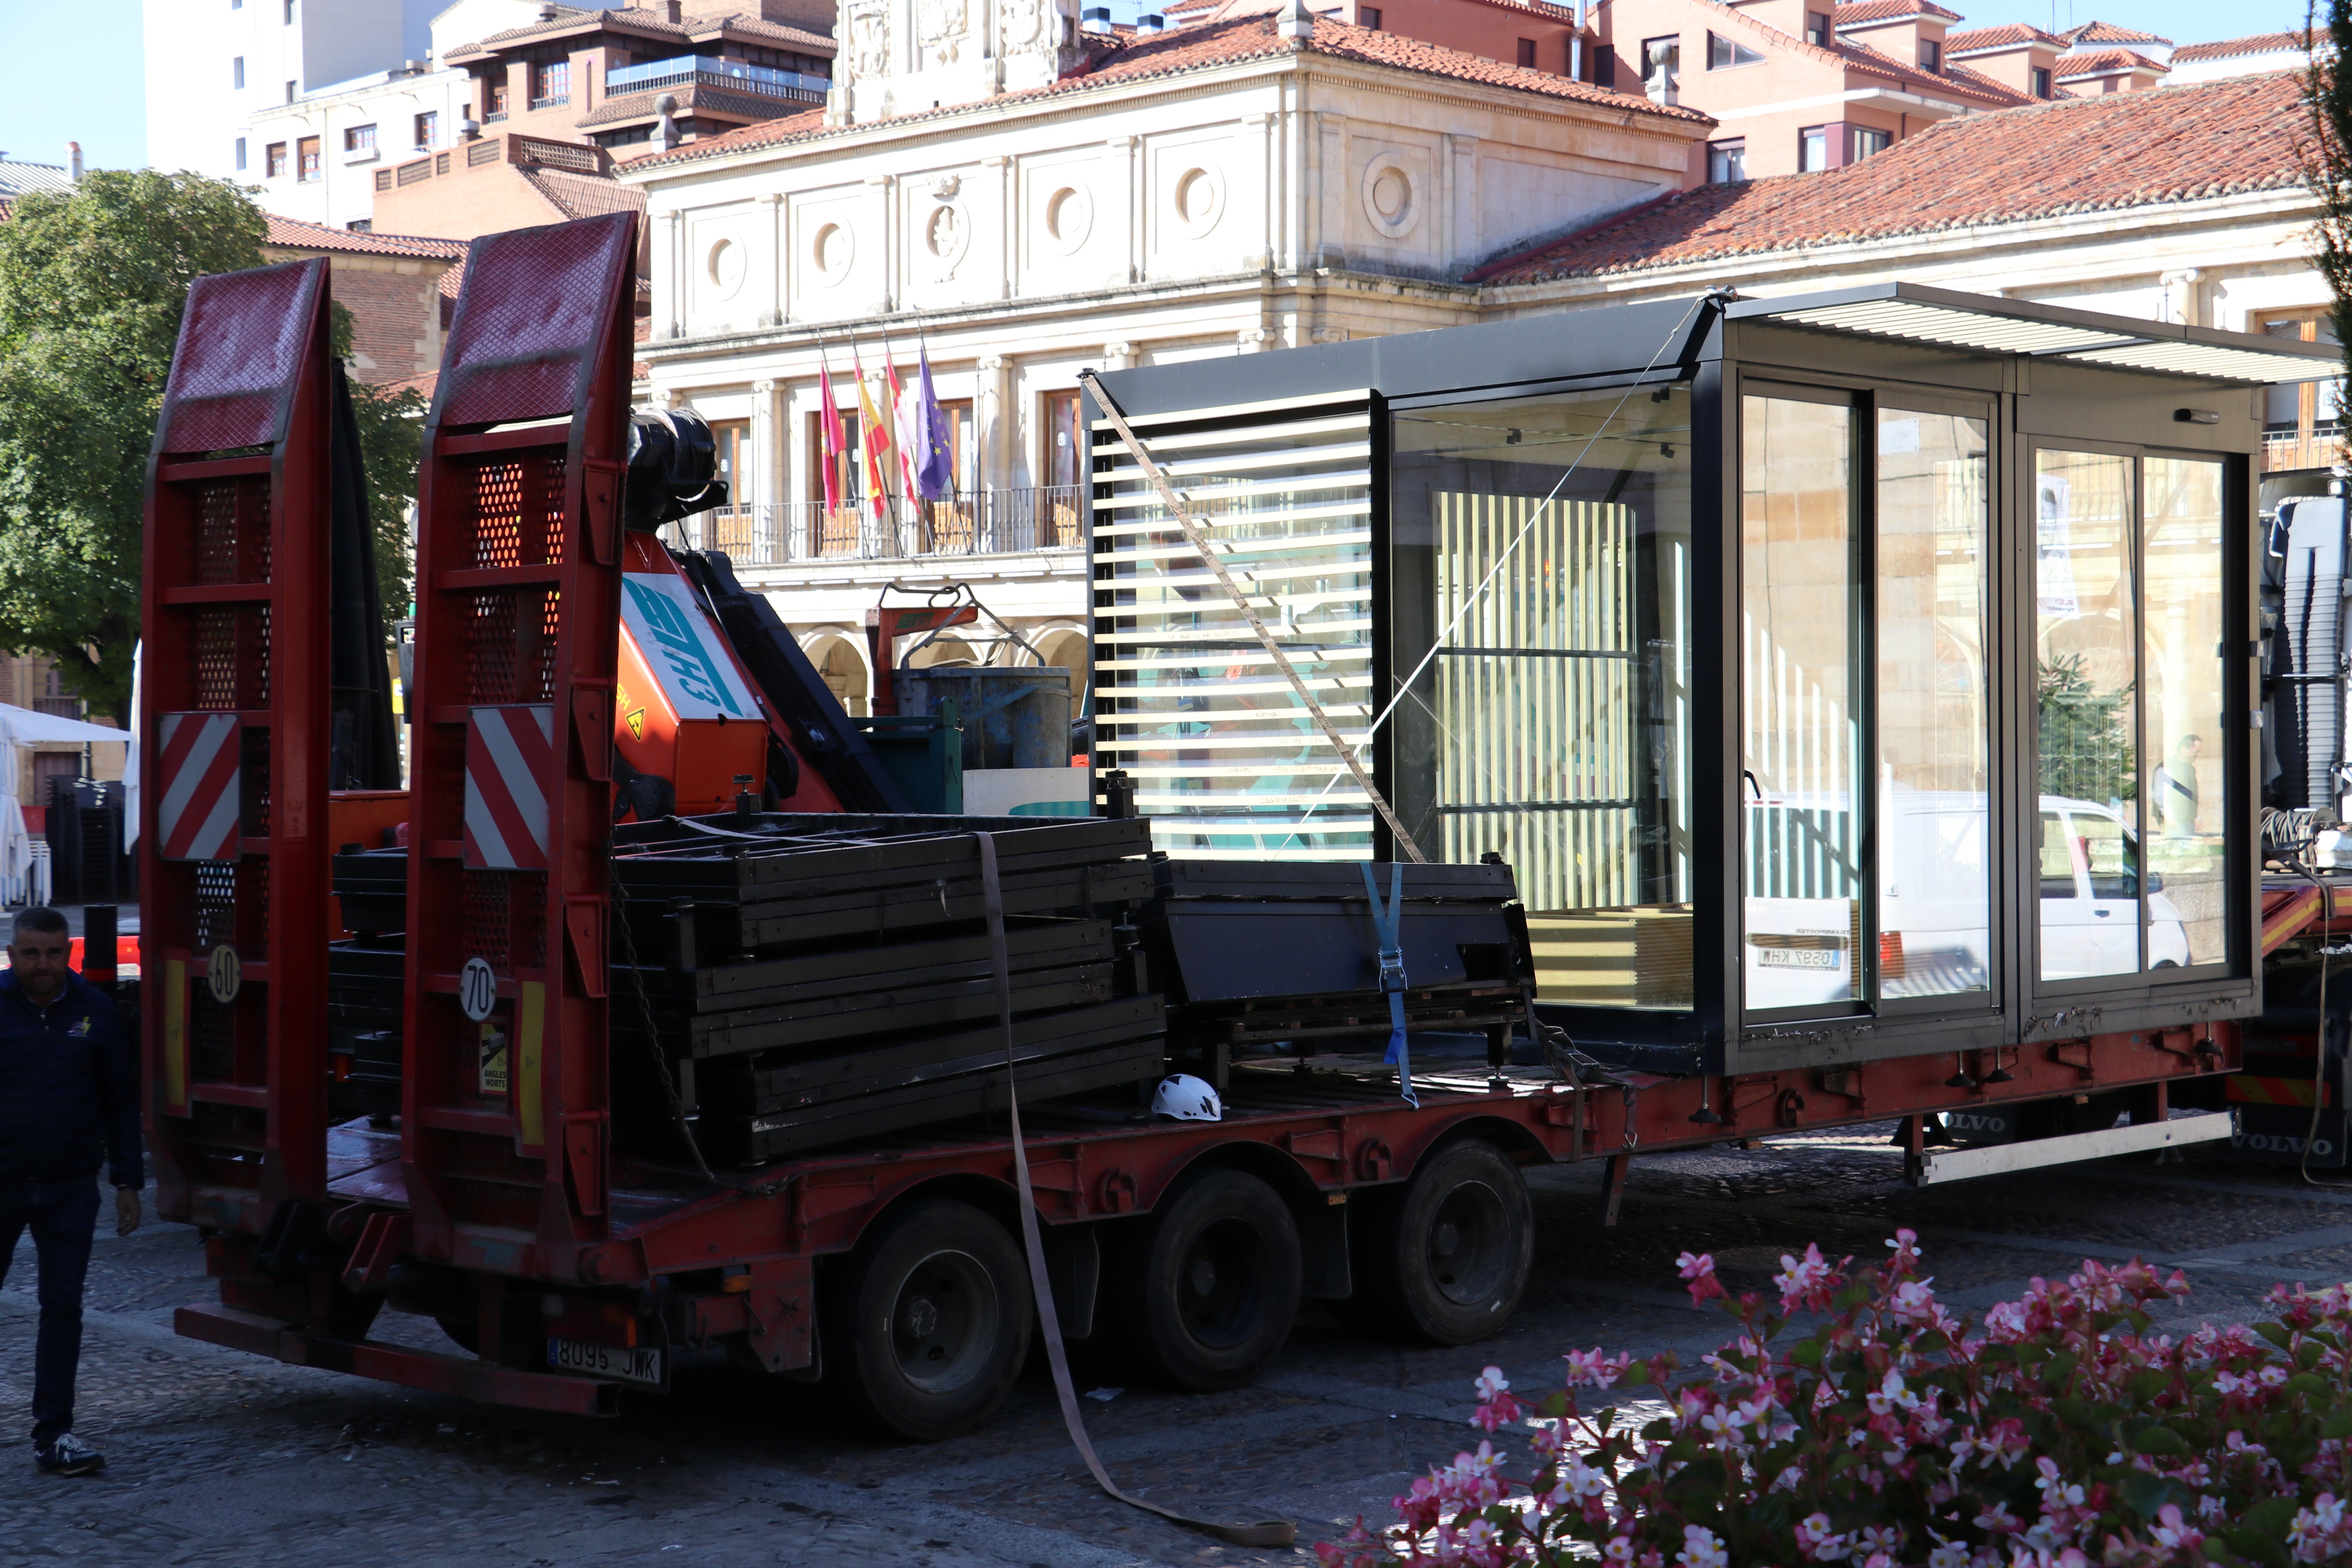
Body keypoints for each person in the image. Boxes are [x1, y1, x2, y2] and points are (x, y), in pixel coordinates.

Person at [0, 906, 138, 1476]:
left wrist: (129, 1181)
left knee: (63, 1310)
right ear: (12, 954)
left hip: (69, 1187)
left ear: (68, 953)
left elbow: (121, 1104)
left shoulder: (98, 1013)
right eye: (31, 953)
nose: (43, 965)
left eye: (53, 953)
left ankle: (54, 1434)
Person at [2153, 734, 2202, 838]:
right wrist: (2169, 818)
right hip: (2174, 821)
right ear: (2183, 749)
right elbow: (2159, 796)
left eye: (2199, 752)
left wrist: (2196, 817)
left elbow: (2189, 796)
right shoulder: (2166, 768)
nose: (2197, 755)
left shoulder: (2190, 769)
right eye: (2195, 751)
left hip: (2186, 821)